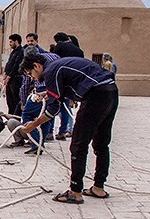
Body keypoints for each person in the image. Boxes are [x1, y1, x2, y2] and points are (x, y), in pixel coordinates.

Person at [20, 55, 119, 204]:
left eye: (30, 74)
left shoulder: (50, 71)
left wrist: (34, 124)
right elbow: (66, 86)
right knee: (101, 143)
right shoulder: (57, 65)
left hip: (95, 95)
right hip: (110, 91)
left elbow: (54, 109)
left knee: (78, 145)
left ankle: (75, 191)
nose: (33, 78)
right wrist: (47, 94)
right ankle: (99, 187)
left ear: (36, 66)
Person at [18, 47, 59, 154]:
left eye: (30, 73)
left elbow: (26, 84)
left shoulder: (34, 66)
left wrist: (23, 101)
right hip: (54, 89)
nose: (32, 76)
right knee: (46, 117)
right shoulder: (53, 56)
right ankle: (39, 143)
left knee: (26, 114)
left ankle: (36, 144)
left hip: (42, 89)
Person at [3, 34, 25, 116]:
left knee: (15, 99)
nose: (10, 44)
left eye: (11, 42)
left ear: (16, 41)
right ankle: (10, 116)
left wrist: (9, 76)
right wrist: (5, 73)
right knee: (10, 100)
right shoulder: (13, 52)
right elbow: (9, 63)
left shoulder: (21, 51)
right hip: (10, 79)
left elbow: (17, 65)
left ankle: (16, 116)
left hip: (16, 79)